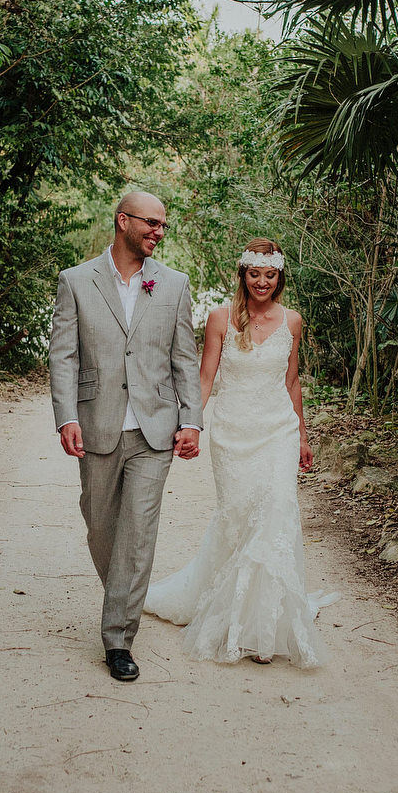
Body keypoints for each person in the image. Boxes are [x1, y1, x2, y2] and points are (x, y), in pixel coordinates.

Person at [144, 238, 338, 667]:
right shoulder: (220, 319)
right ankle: (229, 607)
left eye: (270, 275)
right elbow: (206, 376)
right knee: (237, 518)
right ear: (243, 275)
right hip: (232, 433)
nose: (262, 282)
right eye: (254, 274)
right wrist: (190, 425)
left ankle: (262, 628)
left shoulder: (293, 321)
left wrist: (303, 436)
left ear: (280, 277)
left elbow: (292, 383)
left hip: (277, 433)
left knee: (277, 511)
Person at [47, 192, 203, 682]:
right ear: (124, 221)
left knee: (138, 534)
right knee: (101, 526)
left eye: (163, 225)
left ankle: (118, 638)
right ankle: (123, 591)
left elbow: (185, 359)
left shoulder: (174, 285)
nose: (159, 231)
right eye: (152, 223)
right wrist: (65, 416)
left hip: (156, 430)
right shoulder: (76, 281)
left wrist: (192, 421)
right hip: (97, 424)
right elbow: (63, 355)